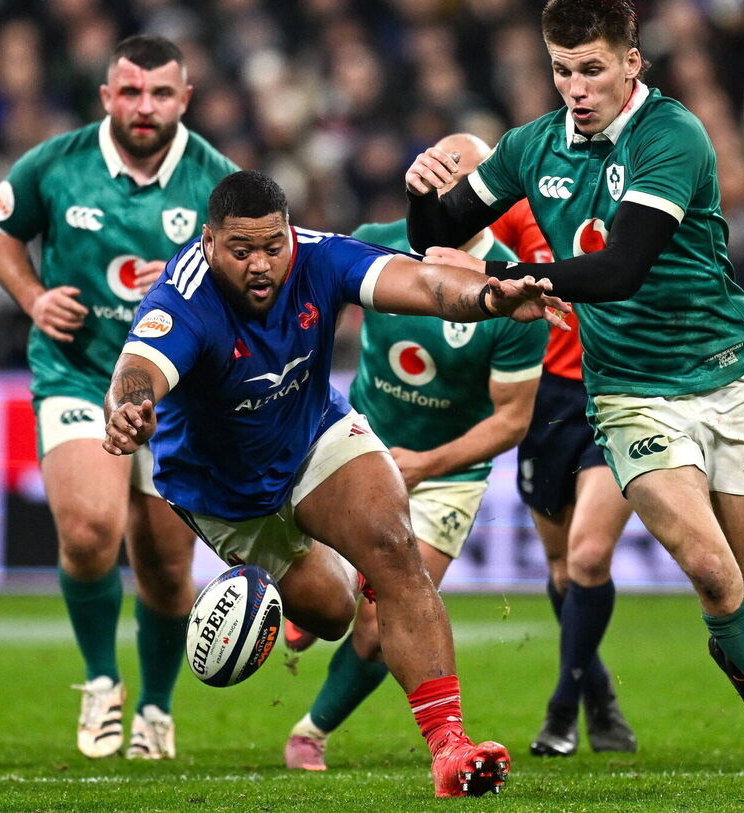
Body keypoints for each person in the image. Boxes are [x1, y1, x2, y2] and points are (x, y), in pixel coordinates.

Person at [403, 0, 744, 793]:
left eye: (592, 70)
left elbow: (621, 267)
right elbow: (432, 235)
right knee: (712, 572)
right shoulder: (531, 146)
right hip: (629, 393)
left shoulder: (672, 135)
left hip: (724, 377)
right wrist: (419, 187)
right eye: (562, 70)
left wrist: (509, 276)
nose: (575, 88)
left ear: (631, 63)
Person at [102, 169, 568, 796]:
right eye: (242, 252)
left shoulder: (317, 257)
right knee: (330, 613)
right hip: (223, 490)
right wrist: (131, 406)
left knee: (396, 546)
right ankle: (304, 585)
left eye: (273, 246)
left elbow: (423, 281)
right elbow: (138, 368)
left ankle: (449, 748)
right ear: (209, 244)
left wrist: (490, 297)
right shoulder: (184, 299)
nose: (261, 265)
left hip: (313, 435)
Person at [0, 34, 238, 760]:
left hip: (172, 393)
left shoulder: (219, 182)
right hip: (78, 373)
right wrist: (31, 295)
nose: (144, 106)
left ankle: (155, 706)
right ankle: (100, 682)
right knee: (90, 531)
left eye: (160, 93)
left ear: (185, 98)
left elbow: (263, 282)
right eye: (130, 92)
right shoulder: (57, 164)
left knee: (163, 563)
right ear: (106, 97)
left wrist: (199, 277)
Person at [281, 133, 548, 771]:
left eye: (460, 173)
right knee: (335, 599)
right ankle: (322, 602)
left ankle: (310, 731)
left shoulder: (512, 285)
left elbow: (511, 422)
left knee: (384, 613)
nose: (442, 179)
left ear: (490, 195)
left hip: (447, 473)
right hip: (356, 450)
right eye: (437, 166)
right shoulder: (378, 236)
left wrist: (426, 464)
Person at [451, 196, 639, 756]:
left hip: (621, 390)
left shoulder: (642, 192)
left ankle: (561, 711)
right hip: (545, 399)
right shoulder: (528, 198)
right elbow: (477, 249)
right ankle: (598, 694)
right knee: (561, 568)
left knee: (587, 556)